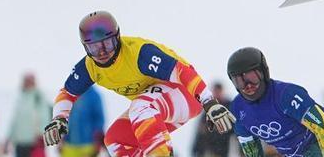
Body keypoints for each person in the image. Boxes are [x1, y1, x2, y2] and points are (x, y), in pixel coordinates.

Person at [42, 11, 235, 157]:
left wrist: (209, 102)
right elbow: (67, 92)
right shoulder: (89, 67)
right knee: (115, 139)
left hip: (186, 94)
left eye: (107, 44)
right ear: (85, 47)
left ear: (117, 37)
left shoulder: (139, 54)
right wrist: (59, 118)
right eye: (94, 47)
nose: (102, 52)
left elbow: (182, 71)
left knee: (140, 106)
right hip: (157, 109)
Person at [224, 47, 324, 157]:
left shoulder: (286, 95)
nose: (248, 85)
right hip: (298, 153)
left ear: (263, 72)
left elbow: (323, 128)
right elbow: (252, 151)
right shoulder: (238, 109)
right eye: (240, 81)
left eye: (251, 77)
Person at [6, 73, 51, 157]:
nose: (27, 83)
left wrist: (41, 134)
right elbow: (15, 121)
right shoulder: (21, 98)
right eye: (26, 81)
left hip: (34, 143)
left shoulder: (38, 96)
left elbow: (44, 116)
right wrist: (8, 139)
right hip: (20, 143)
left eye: (30, 81)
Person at [192, 82, 235, 157]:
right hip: (210, 149)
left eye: (218, 91)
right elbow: (201, 130)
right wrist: (196, 149)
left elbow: (234, 127)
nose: (217, 94)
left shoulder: (229, 106)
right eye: (215, 91)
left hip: (226, 147)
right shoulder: (208, 108)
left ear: (222, 92)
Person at [61, 85, 106, 157]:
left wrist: (97, 141)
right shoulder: (68, 93)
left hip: (88, 144)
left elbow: (99, 119)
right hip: (68, 144)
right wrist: (61, 137)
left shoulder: (94, 95)